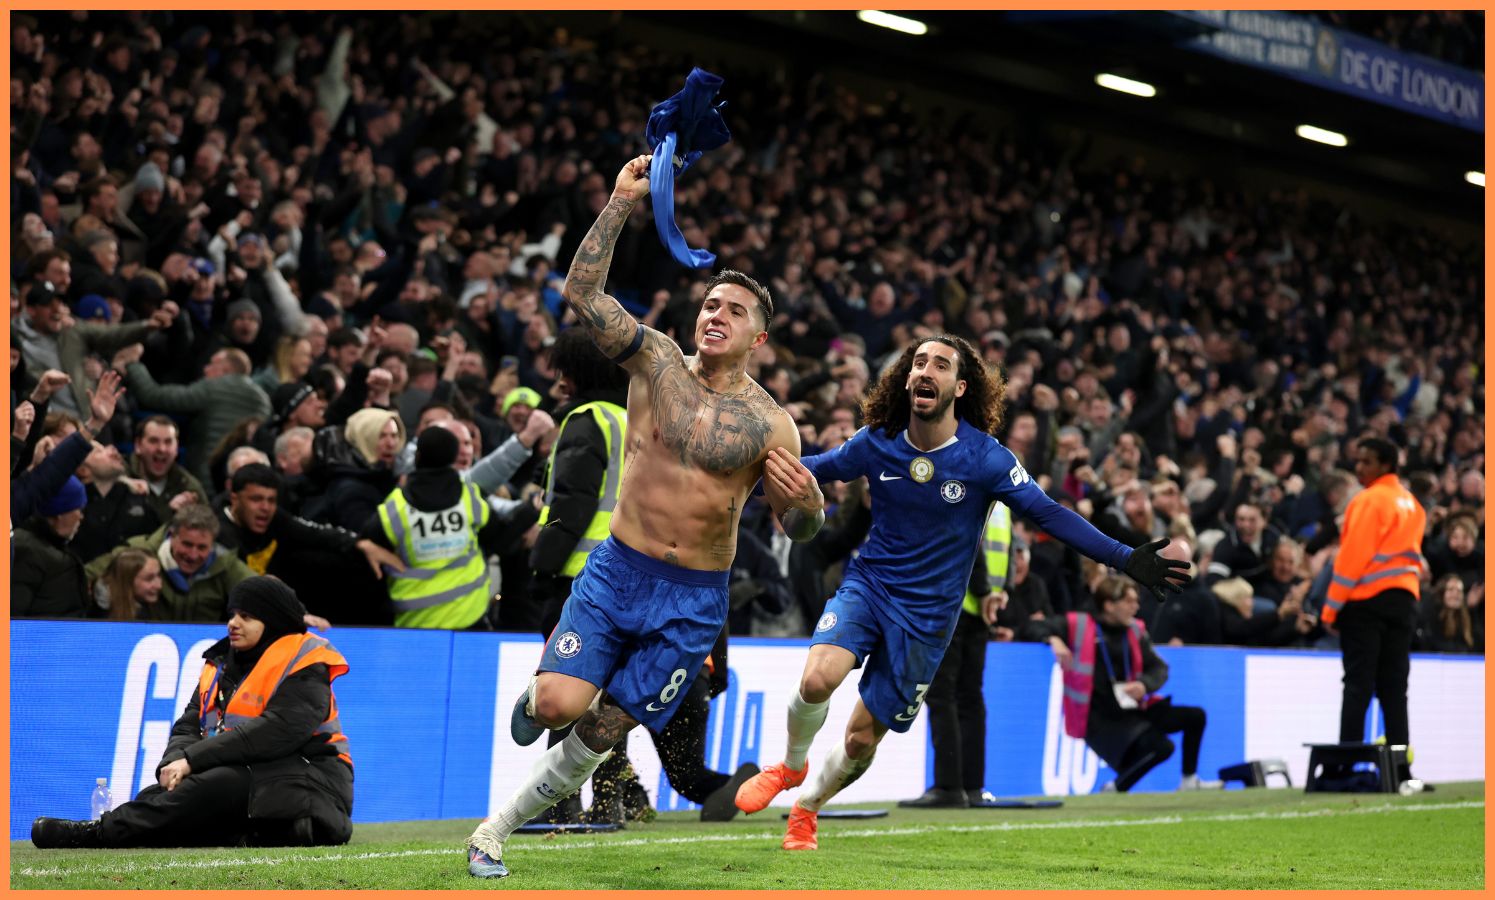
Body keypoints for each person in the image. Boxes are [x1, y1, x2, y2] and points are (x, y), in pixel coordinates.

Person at [466, 155, 824, 878]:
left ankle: (492, 833)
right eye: (711, 304)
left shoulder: (772, 425)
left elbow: (800, 530)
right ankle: (539, 702)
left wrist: (809, 504)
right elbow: (580, 292)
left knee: (602, 729)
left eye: (734, 310)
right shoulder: (653, 359)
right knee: (560, 702)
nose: (715, 314)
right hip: (617, 569)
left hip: (693, 599)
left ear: (759, 338)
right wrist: (620, 203)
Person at [732, 334, 1189, 851]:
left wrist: (1125, 557)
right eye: (919, 362)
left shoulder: (986, 459)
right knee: (817, 679)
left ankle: (807, 808)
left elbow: (1051, 514)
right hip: (871, 585)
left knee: (861, 740)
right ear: (907, 379)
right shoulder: (876, 440)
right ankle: (791, 768)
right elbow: (812, 468)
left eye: (941, 365)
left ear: (960, 386)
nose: (927, 371)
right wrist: (736, 475)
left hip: (928, 620)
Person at [31, 577, 354, 848]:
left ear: (273, 621)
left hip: (317, 782)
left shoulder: (306, 661)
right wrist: (172, 761)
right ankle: (246, 833)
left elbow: (276, 732)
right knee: (162, 795)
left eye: (246, 616)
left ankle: (95, 834)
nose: (233, 623)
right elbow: (189, 723)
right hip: (256, 774)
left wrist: (193, 761)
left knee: (214, 785)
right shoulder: (220, 663)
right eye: (232, 613)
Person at [1024, 575, 1220, 792]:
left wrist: (1144, 685)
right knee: (1162, 747)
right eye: (1129, 601)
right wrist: (1052, 638)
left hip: (1132, 707)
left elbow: (1160, 668)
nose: (1136, 607)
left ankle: (1189, 780)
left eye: (1136, 601)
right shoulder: (1079, 624)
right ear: (1108, 605)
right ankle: (1116, 787)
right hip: (1100, 717)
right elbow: (1032, 627)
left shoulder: (1135, 631)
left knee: (1195, 716)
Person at [1324, 437, 1428, 791]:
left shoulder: (1368, 501)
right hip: (1404, 603)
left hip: (1366, 603)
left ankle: (1346, 768)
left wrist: (1330, 608)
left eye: (1366, 461)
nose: (1359, 468)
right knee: (1394, 688)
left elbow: (1352, 558)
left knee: (1358, 686)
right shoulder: (1412, 504)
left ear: (1386, 464)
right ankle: (1401, 772)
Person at [900, 501, 1011, 808]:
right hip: (983, 609)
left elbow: (969, 542)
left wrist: (982, 590)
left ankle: (949, 786)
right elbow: (1006, 550)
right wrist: (998, 595)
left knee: (942, 695)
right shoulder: (1004, 499)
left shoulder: (970, 480)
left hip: (954, 601)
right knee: (971, 697)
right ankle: (973, 787)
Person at [367, 426, 493, 629]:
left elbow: (367, 543)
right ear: (453, 458)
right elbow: (497, 535)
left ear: (418, 456)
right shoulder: (470, 497)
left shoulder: (395, 507)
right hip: (470, 615)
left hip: (416, 622)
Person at [95, 547, 169, 620]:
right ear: (127, 581)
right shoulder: (100, 620)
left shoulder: (148, 603)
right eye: (149, 579)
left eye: (159, 575)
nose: (159, 586)